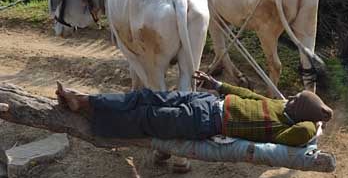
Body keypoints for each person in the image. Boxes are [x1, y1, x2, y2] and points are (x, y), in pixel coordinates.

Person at [56, 71, 333, 147]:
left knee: (148, 118)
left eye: (296, 101)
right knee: (143, 96)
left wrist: (318, 121)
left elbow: (302, 134)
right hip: (205, 101)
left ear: (301, 115)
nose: (290, 98)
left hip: (206, 122)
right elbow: (248, 93)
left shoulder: (285, 130)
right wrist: (219, 84)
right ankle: (87, 100)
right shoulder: (280, 106)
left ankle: (93, 116)